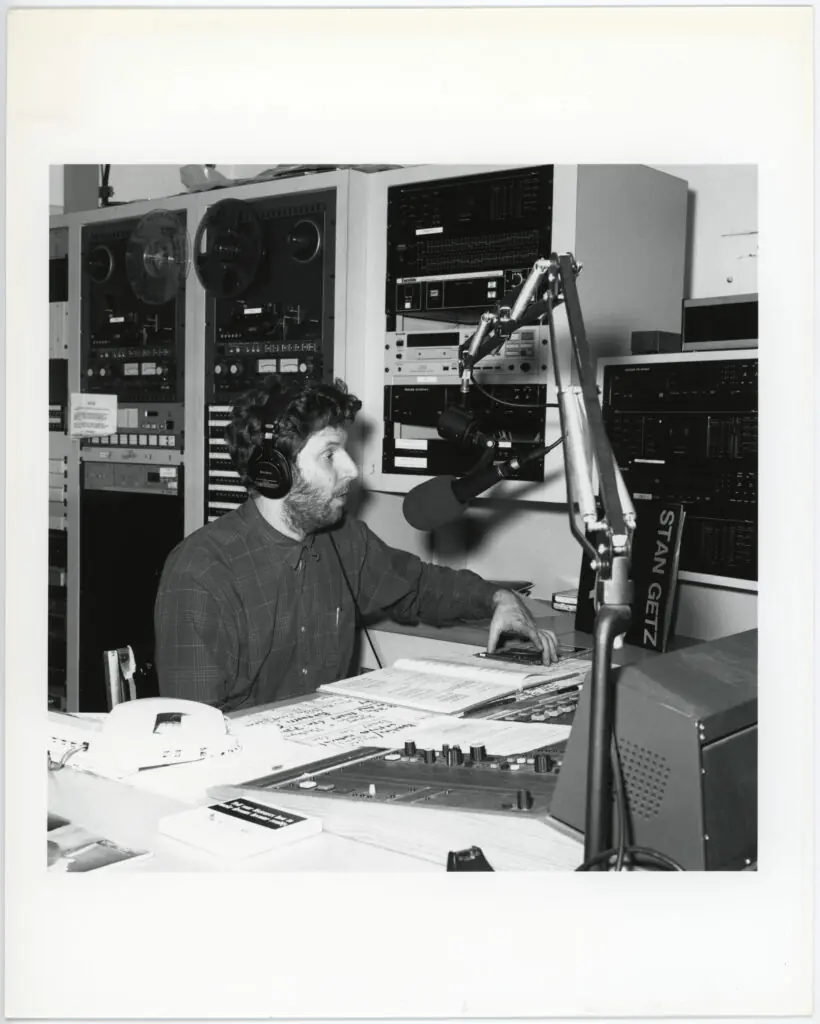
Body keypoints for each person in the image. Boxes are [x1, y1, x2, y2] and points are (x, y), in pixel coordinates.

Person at [154, 377, 559, 712]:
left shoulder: (345, 540)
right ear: (272, 472)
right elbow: (194, 731)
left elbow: (420, 587)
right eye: (330, 454)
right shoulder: (202, 572)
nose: (350, 470)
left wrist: (497, 598)